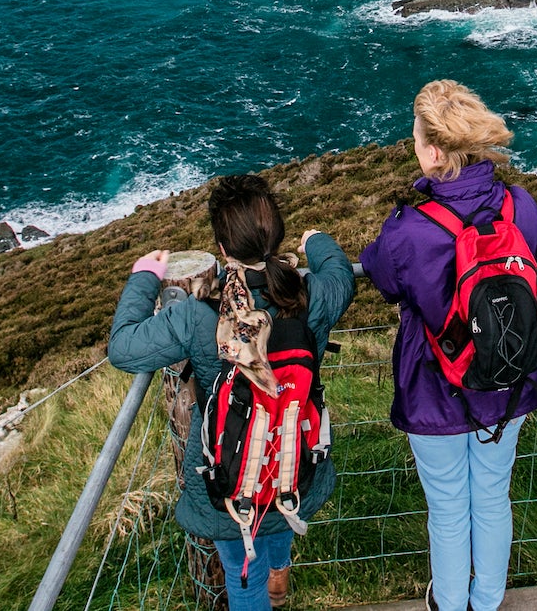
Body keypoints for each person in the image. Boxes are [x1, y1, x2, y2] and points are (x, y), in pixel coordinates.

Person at [108, 174, 355, 611]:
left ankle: (267, 581)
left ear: (222, 249)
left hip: (230, 477)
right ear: (276, 234)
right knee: (283, 508)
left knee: (244, 580)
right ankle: (280, 575)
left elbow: (124, 348)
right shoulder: (311, 294)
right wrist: (315, 241)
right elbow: (341, 274)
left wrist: (145, 278)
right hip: (297, 457)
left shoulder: (197, 316)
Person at [362, 79, 537, 611]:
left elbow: (380, 271)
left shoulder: (407, 231)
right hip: (509, 378)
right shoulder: (520, 206)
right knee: (492, 497)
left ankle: (448, 603)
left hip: (435, 389)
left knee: (447, 507)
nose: (412, 144)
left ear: (436, 150)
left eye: (416, 137)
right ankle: (486, 602)